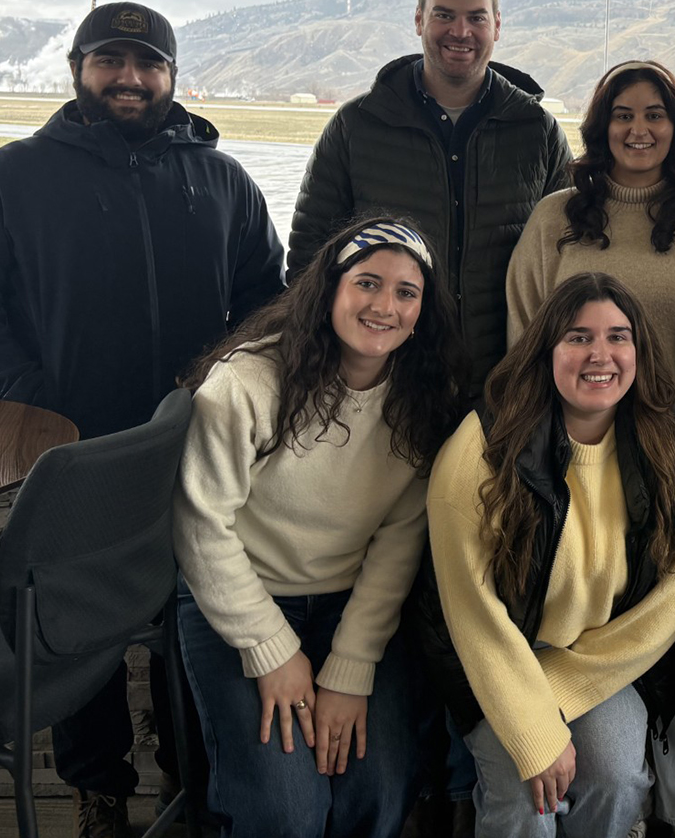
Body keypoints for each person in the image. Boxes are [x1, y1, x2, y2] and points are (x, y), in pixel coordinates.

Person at [0, 0, 284, 837]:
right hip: (73, 464)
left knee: (196, 622)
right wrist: (30, 402)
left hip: (196, 452)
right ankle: (98, 794)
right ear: (78, 69)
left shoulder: (221, 179)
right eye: (110, 60)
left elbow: (268, 297)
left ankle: (189, 782)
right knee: (73, 634)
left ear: (172, 77)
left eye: (148, 63)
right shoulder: (11, 177)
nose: (129, 77)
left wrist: (233, 390)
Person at [506, 58, 675, 837]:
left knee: (672, 625)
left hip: (672, 466)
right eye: (622, 115)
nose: (638, 130)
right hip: (560, 455)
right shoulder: (553, 221)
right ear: (600, 126)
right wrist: (553, 440)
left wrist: (669, 457)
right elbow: (527, 338)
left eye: (655, 115)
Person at [173, 219, 464, 837]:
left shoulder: (425, 397)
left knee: (378, 794)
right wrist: (272, 652)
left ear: (423, 310)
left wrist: (351, 667)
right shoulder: (245, 383)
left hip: (351, 606)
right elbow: (202, 525)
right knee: (287, 813)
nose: (385, 306)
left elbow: (399, 540)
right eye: (367, 283)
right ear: (329, 289)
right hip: (238, 601)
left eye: (406, 293)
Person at [423, 272, 675, 838]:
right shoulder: (482, 448)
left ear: (639, 350)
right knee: (526, 797)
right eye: (577, 337)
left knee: (620, 778)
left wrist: (558, 688)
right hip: (489, 656)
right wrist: (531, 725)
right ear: (545, 350)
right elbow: (470, 614)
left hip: (595, 655)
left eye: (617, 336)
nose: (599, 355)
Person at [288, 0, 573, 386]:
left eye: (476, 17)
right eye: (444, 15)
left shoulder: (538, 133)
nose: (461, 32)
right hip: (384, 383)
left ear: (497, 25)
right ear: (419, 19)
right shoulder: (357, 126)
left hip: (502, 385)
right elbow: (309, 259)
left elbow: (567, 255)